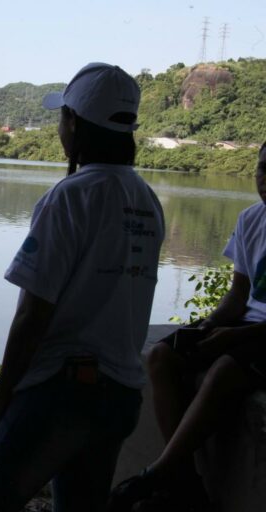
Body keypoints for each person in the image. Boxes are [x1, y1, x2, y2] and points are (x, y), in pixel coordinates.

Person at [0, 63, 165, 512]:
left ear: (75, 123)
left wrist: (1, 407)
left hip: (64, 393)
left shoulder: (71, 196)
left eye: (62, 118)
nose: (60, 127)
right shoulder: (147, 200)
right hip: (121, 395)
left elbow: (32, 315)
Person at [108, 142, 266, 511]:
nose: (264, 179)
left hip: (259, 339)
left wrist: (235, 336)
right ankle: (187, 485)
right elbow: (238, 294)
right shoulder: (251, 219)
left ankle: (161, 473)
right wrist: (209, 325)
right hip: (246, 328)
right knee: (163, 355)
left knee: (226, 367)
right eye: (262, 168)